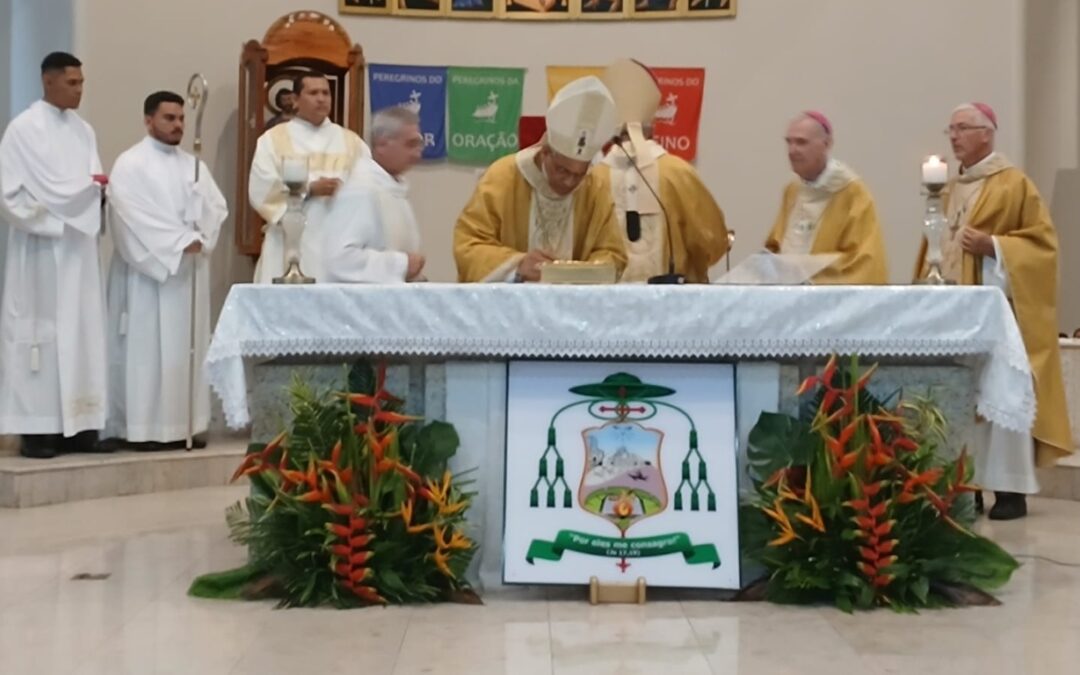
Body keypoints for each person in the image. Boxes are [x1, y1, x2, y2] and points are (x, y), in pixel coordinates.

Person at [914, 102, 1073, 519]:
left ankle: (1009, 489)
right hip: (954, 310)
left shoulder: (1013, 184)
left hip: (997, 314)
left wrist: (995, 247)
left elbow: (1043, 247)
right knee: (959, 396)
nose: (953, 136)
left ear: (988, 133)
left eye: (962, 128)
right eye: (950, 129)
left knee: (1001, 396)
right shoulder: (947, 189)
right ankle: (964, 487)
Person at [103, 91, 228, 450]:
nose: (177, 126)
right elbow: (130, 215)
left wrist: (202, 234)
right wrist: (178, 242)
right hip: (150, 276)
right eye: (169, 118)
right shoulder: (131, 164)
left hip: (187, 275)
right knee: (146, 352)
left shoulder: (194, 166)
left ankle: (184, 425)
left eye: (181, 119)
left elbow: (217, 208)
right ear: (148, 120)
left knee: (184, 351)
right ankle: (143, 429)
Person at [0, 52, 108, 458]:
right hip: (42, 250)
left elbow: (93, 181)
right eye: (73, 83)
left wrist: (95, 200)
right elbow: (8, 193)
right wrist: (55, 218)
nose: (80, 90)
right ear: (48, 82)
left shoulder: (84, 131)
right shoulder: (22, 130)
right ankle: (37, 429)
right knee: (39, 336)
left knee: (82, 333)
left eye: (82, 83)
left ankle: (82, 426)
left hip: (78, 250)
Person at [453, 76, 627, 283]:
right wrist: (517, 265)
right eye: (562, 170)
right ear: (545, 152)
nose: (570, 182)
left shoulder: (593, 186)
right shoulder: (503, 178)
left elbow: (612, 252)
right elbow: (469, 243)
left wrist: (580, 271)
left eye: (579, 174)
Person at [596, 59, 728, 283]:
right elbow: (712, 242)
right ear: (653, 128)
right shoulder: (678, 172)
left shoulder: (592, 178)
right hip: (672, 301)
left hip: (606, 304)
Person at [249, 71, 369, 283]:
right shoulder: (273, 139)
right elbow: (261, 189)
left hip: (337, 243)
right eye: (313, 93)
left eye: (326, 93)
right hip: (289, 242)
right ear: (295, 100)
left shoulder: (352, 142)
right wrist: (309, 189)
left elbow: (369, 188)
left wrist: (346, 191)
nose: (321, 98)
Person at [764, 112, 888, 284]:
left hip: (825, 299)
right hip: (786, 295)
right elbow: (776, 246)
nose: (792, 150)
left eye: (801, 142)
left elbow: (862, 261)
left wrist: (805, 274)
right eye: (789, 142)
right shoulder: (792, 191)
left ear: (827, 144)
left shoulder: (852, 192)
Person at [323, 106, 425, 283]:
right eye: (410, 144)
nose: (418, 153)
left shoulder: (392, 188)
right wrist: (401, 264)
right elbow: (339, 260)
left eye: (419, 144)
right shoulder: (361, 188)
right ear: (382, 144)